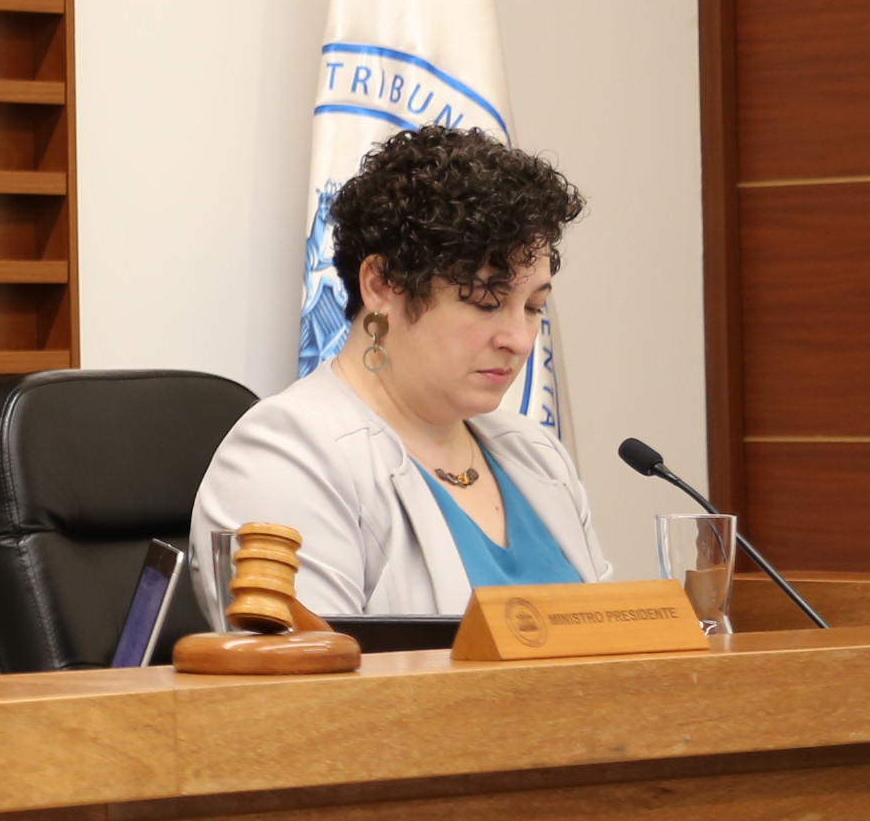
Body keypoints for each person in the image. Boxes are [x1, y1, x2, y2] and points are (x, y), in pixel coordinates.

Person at [192, 124, 608, 622]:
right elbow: (314, 670)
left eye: (534, 307)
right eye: (486, 301)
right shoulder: (283, 455)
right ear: (382, 285)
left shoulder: (537, 455)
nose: (519, 339)